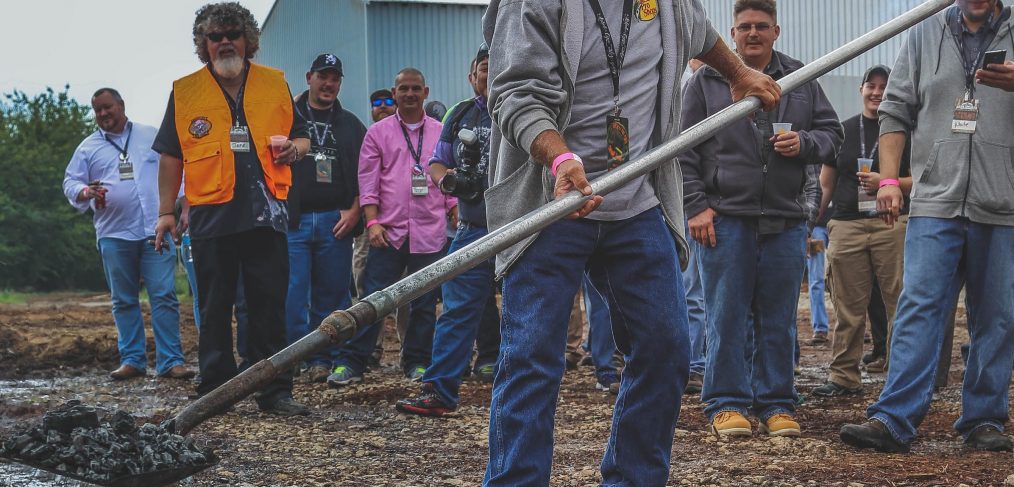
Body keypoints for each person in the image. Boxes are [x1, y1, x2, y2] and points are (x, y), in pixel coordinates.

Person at [482, 0, 780, 483]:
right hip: (550, 204)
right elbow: (514, 94)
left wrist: (738, 72)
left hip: (637, 202)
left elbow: (699, 31)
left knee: (665, 348)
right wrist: (559, 159)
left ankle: (634, 478)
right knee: (532, 355)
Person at [840, 0, 1014, 453]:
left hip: (1003, 202)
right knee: (918, 307)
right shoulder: (923, 32)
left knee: (997, 316)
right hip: (936, 201)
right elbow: (895, 109)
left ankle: (983, 419)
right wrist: (891, 181)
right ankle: (893, 418)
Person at [681, 0, 842, 438]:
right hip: (725, 217)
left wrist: (805, 142)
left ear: (777, 31)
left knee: (778, 317)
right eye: (744, 27)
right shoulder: (705, 80)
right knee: (726, 314)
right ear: (732, 34)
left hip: (786, 220)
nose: (752, 33)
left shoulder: (800, 78)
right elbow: (683, 150)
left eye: (761, 26)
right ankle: (726, 402)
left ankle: (776, 403)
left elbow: (833, 135)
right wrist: (695, 205)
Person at [152, 1, 311, 416]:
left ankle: (274, 390)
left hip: (267, 213)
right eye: (215, 37)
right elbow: (170, 155)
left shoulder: (275, 83)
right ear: (203, 46)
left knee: (268, 305)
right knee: (215, 306)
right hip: (210, 215)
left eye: (232, 34)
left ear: (248, 41)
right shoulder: (185, 91)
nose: (224, 42)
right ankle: (215, 389)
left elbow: (302, 136)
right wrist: (166, 212)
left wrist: (296, 149)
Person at [327, 67, 457, 386]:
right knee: (374, 299)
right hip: (388, 232)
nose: (410, 94)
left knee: (425, 303)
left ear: (425, 93)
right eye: (403, 89)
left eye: (415, 89)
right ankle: (352, 362)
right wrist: (371, 222)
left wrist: (454, 211)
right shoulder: (379, 133)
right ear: (395, 92)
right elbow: (368, 181)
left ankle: (417, 362)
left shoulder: (441, 131)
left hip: (430, 231)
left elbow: (448, 177)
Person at [396, 44, 500, 416]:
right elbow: (437, 163)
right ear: (472, 76)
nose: (490, 72)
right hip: (473, 227)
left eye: (497, 64)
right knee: (456, 308)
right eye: (484, 67)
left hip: (523, 228)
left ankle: (523, 391)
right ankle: (439, 391)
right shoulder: (459, 114)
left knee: (526, 311)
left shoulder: (525, 110)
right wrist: (448, 183)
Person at [63, 88, 193, 382]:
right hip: (113, 233)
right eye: (97, 110)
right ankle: (132, 360)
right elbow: (70, 181)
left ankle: (171, 361)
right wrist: (85, 191)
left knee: (164, 295)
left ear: (121, 105)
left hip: (154, 229)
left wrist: (185, 205)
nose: (103, 114)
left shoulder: (150, 136)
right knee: (123, 299)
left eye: (108, 107)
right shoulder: (87, 148)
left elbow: (176, 170)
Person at [811, 65, 910, 398]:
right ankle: (843, 376)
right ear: (861, 89)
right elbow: (826, 185)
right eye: (871, 85)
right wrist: (810, 224)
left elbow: (925, 178)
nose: (877, 92)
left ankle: (901, 377)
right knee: (847, 306)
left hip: (891, 224)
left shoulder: (904, 130)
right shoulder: (843, 130)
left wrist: (889, 181)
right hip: (847, 224)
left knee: (900, 303)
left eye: (884, 86)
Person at [286, 53, 366, 383]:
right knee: (291, 294)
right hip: (295, 220)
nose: (329, 83)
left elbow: (368, 173)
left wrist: (355, 210)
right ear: (309, 77)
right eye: (323, 76)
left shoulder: (350, 124)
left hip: (337, 220)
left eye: (335, 78)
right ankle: (292, 358)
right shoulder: (288, 117)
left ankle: (324, 358)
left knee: (332, 295)